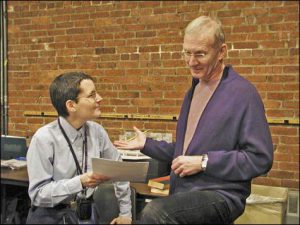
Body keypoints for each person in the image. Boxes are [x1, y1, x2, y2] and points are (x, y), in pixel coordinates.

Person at [114, 16, 273, 224]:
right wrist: (147, 144)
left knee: (156, 213)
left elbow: (260, 159)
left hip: (221, 195)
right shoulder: (194, 91)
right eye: (187, 53)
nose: (191, 62)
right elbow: (184, 155)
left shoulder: (243, 94)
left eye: (200, 54)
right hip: (184, 192)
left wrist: (205, 162)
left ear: (222, 52)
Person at [26, 72, 132, 224]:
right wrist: (79, 182)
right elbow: (38, 194)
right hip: (50, 217)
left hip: (87, 214)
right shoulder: (43, 139)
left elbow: (119, 170)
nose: (99, 99)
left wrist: (126, 214)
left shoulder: (97, 132)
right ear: (71, 105)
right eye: (92, 95)